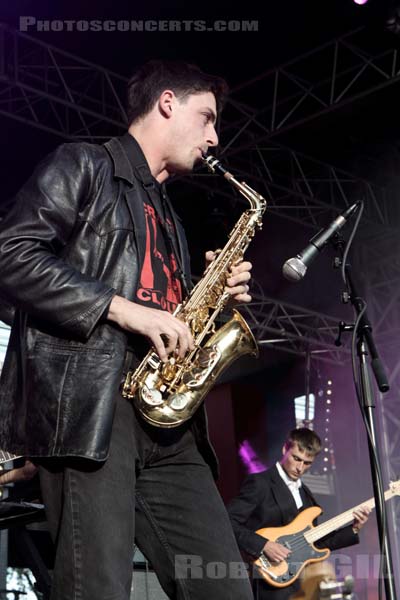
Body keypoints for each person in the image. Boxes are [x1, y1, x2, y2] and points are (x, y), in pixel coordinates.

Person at [0, 60, 254, 600]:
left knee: (226, 587)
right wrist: (120, 307)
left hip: (168, 423)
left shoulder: (170, 217)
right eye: (207, 117)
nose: (214, 136)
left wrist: (207, 300)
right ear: (168, 103)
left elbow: (164, 311)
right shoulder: (84, 164)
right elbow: (11, 253)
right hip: (95, 413)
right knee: (98, 589)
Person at [227, 428, 370, 600]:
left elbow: (314, 542)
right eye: (296, 458)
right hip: (272, 581)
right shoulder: (261, 483)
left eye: (307, 463)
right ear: (284, 450)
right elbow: (228, 522)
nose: (300, 468)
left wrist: (354, 529)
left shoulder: (306, 493)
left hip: (303, 583)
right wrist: (264, 545)